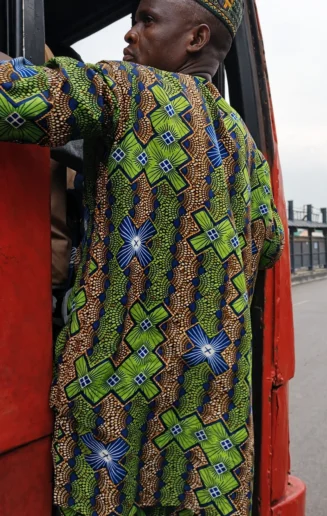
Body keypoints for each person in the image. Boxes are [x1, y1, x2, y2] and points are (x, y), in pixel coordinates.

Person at [0, 0, 284, 514]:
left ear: (195, 39)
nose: (131, 34)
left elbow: (15, 98)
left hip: (114, 424)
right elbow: (270, 242)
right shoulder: (246, 146)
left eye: (147, 20)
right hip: (209, 433)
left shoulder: (129, 89)